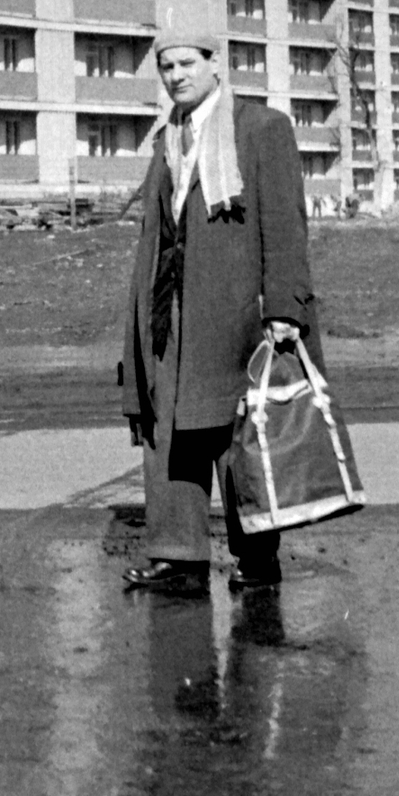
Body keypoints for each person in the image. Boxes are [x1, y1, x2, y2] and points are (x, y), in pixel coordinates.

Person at [118, 32, 326, 594]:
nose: (176, 75)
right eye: (166, 67)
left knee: (240, 432)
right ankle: (178, 558)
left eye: (187, 63)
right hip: (169, 313)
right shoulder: (168, 137)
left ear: (217, 65)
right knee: (168, 427)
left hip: (236, 310)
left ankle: (258, 558)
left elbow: (285, 225)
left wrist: (284, 307)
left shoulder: (260, 129)